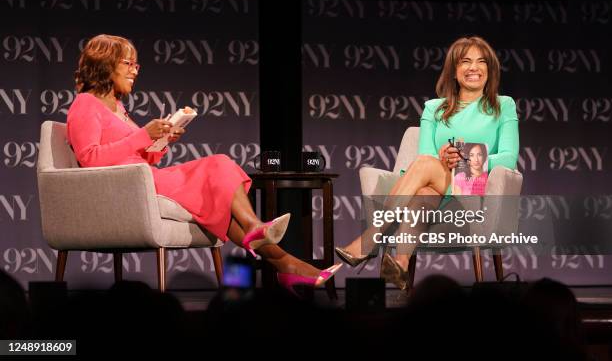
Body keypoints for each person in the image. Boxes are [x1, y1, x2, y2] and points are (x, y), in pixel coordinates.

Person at [66, 34, 341, 295]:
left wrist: (162, 140)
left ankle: (285, 264)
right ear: (103, 64)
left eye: (136, 64)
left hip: (145, 178)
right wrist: (143, 135)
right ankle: (265, 238)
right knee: (219, 164)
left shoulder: (117, 107)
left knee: (222, 198)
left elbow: (139, 155)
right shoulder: (85, 105)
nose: (135, 70)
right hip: (128, 190)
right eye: (127, 63)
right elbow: (90, 158)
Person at [335, 36, 519, 291]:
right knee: (423, 187)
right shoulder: (433, 108)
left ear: (490, 69)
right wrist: (444, 159)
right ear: (454, 70)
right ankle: (399, 262)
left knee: (425, 168)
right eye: (465, 61)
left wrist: (464, 157)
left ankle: (371, 237)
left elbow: (509, 157)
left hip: (476, 188)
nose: (473, 68)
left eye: (481, 61)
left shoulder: (502, 105)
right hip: (437, 186)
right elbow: (426, 156)